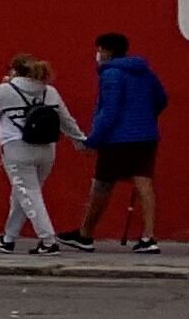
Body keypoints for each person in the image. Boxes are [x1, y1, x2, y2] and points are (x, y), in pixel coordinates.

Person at [68, 29, 170, 253]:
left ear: (107, 51)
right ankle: (149, 237)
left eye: (100, 49)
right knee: (144, 184)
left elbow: (109, 111)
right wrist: (145, 117)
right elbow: (161, 98)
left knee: (102, 185)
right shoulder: (145, 72)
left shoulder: (111, 74)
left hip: (117, 139)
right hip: (146, 136)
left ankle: (85, 234)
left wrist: (93, 140)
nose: (98, 54)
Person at [0, 51, 74, 254]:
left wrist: (6, 87)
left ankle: (48, 241)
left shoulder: (6, 89)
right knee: (22, 194)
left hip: (16, 148)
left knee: (28, 194)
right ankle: (8, 238)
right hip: (47, 150)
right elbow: (66, 121)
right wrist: (81, 141)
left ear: (15, 70)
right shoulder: (50, 92)